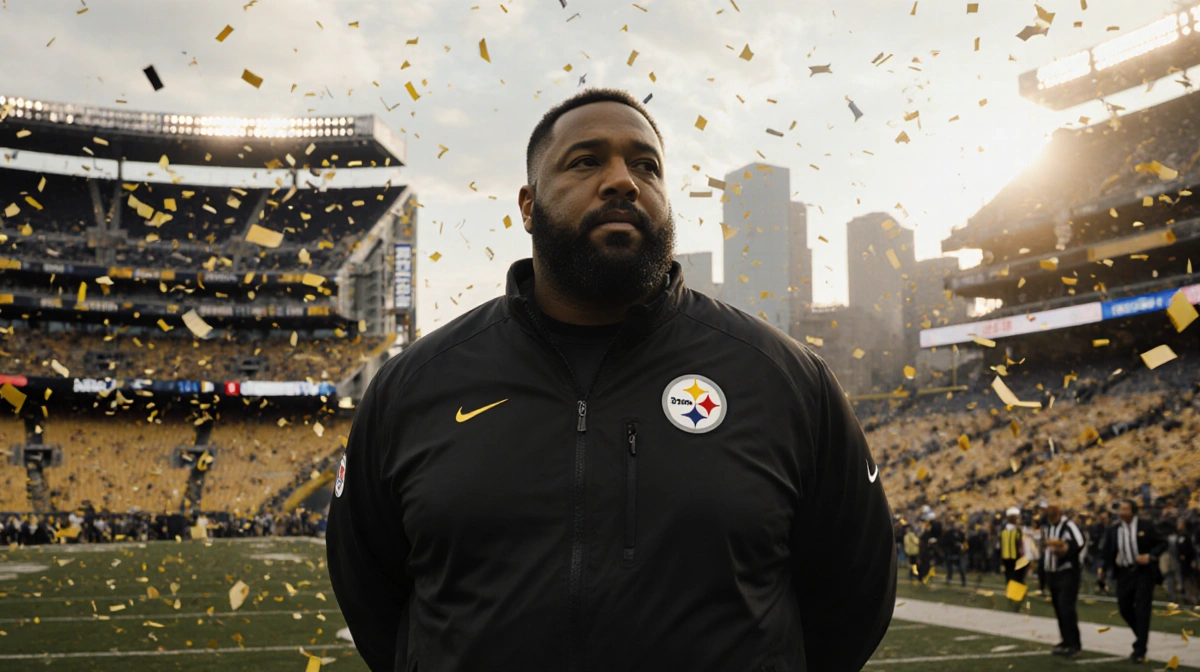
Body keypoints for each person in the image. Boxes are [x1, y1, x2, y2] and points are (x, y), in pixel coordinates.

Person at [325, 87, 897, 672]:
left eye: (646, 165)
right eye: (585, 161)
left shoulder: (782, 377)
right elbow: (372, 594)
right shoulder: (415, 385)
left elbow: (854, 594)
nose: (623, 180)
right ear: (527, 206)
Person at [1101, 499, 1168, 663]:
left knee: (1142, 609)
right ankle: (1141, 634)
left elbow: (1163, 542)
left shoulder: (1146, 525)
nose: (1121, 512)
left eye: (1125, 509)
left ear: (1133, 511)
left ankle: (1140, 650)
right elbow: (1109, 551)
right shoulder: (1114, 528)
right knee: (1124, 607)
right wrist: (1104, 570)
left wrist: (1150, 556)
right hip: (1124, 572)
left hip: (1143, 572)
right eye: (1121, 509)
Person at [1042, 504, 1084, 657]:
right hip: (1052, 573)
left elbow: (1080, 542)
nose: (1050, 519)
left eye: (1052, 516)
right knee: (1059, 608)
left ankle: (1075, 644)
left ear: (1059, 514)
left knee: (1067, 608)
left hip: (1067, 572)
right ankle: (1065, 640)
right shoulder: (1049, 527)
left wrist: (1065, 550)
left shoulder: (1068, 525)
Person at [1000, 506, 1025, 587]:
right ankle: (1011, 588)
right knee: (1009, 574)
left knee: (1017, 575)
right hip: (1007, 555)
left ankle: (1014, 590)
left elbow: (1022, 542)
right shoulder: (1004, 528)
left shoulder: (1018, 529)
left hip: (1016, 555)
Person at [942, 520, 967, 587]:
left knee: (960, 568)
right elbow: (945, 542)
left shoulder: (960, 534)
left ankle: (963, 581)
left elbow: (964, 542)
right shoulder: (949, 533)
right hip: (950, 552)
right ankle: (949, 579)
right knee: (950, 568)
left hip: (957, 553)